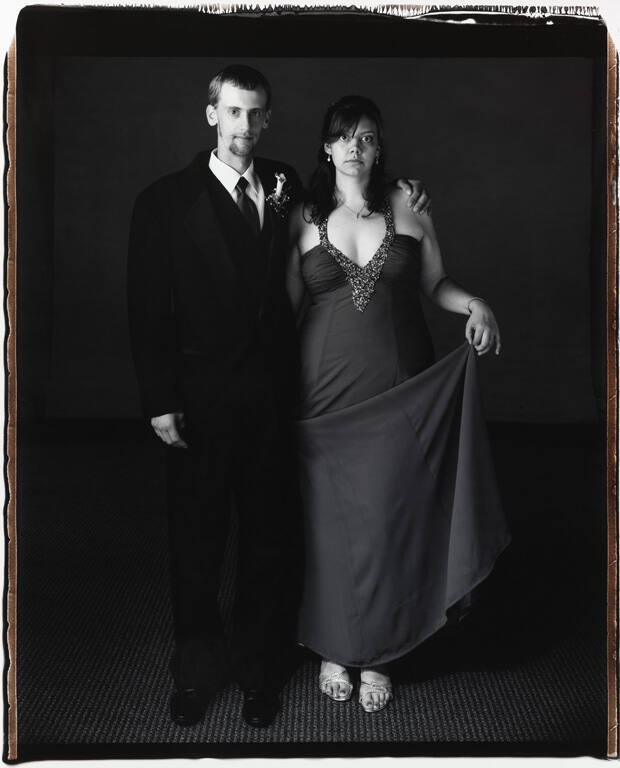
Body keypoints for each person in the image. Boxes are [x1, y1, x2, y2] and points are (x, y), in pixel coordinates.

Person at [127, 68, 430, 729]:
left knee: (270, 541)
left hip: (273, 398)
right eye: (233, 112)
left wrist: (403, 189)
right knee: (198, 542)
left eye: (256, 114)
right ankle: (195, 672)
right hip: (200, 403)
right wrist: (159, 398)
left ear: (267, 120)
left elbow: (350, 192)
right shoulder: (164, 201)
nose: (245, 125)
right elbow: (148, 311)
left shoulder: (288, 185)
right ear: (212, 114)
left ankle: (260, 669)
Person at [286, 95, 511, 714]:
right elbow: (283, 309)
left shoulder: (409, 204)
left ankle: (379, 653)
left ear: (379, 146)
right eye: (344, 136)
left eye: (366, 136)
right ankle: (335, 647)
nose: (355, 147)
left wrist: (476, 304)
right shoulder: (302, 215)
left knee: (391, 517)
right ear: (326, 147)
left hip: (400, 385)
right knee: (330, 524)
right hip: (324, 391)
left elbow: (436, 282)